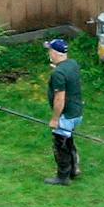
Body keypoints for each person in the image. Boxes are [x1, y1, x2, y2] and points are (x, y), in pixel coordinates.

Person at [44, 36, 84, 186]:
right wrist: (58, 70)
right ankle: (74, 170)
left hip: (66, 115)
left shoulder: (58, 74)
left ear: (55, 53)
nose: (49, 53)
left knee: (60, 145)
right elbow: (69, 75)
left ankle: (63, 177)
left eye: (50, 50)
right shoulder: (72, 64)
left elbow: (60, 98)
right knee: (69, 141)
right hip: (77, 112)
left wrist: (55, 119)